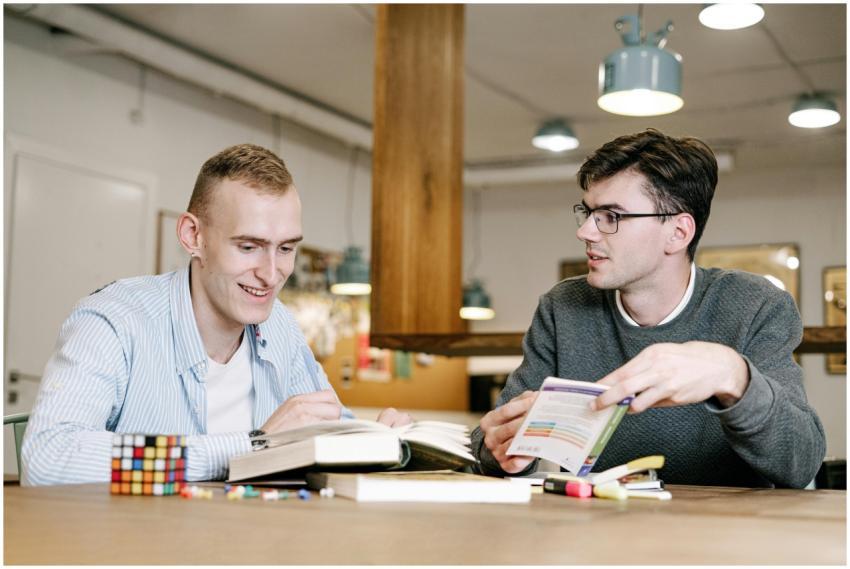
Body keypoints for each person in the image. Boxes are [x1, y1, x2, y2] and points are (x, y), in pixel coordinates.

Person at [22, 143, 411, 485]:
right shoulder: (114, 320)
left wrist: (379, 440)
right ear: (194, 236)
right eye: (249, 247)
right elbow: (49, 457)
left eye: (286, 248)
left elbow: (330, 431)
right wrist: (251, 447)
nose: (272, 274)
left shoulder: (280, 328)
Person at [472, 129, 825, 488]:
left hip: (722, 533)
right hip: (596, 528)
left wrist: (733, 376)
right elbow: (491, 443)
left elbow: (800, 464)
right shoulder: (562, 308)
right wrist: (504, 453)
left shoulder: (755, 306)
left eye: (611, 216)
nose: (586, 232)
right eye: (589, 212)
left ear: (677, 232)